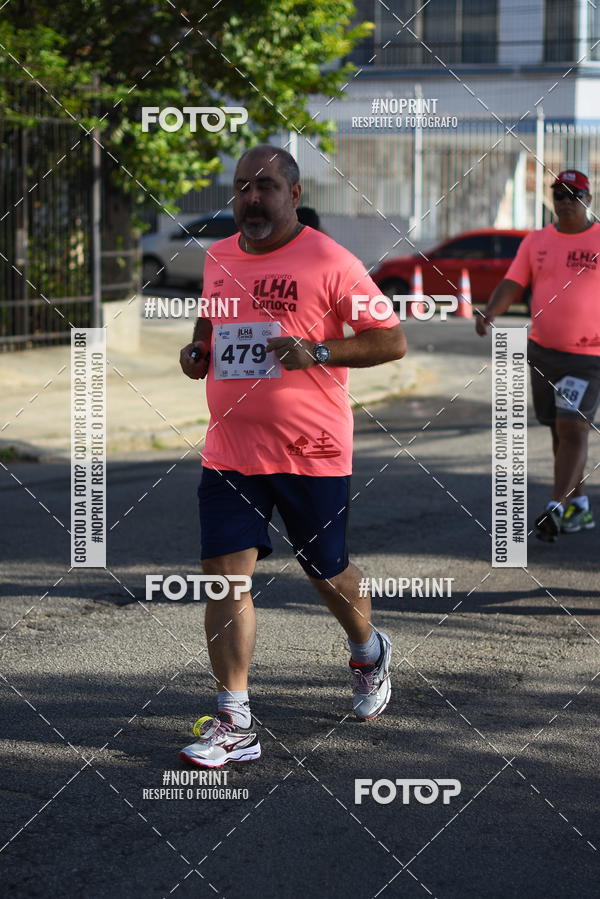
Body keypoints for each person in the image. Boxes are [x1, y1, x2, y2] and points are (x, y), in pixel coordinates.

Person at [177, 145, 406, 768]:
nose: (253, 198)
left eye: (267, 186)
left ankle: (367, 649)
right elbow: (210, 327)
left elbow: (391, 340)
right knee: (225, 578)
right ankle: (234, 719)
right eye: (242, 186)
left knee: (326, 571)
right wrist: (195, 353)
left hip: (312, 450)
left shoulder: (330, 259)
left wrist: (321, 353)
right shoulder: (219, 256)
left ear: (294, 195)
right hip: (230, 449)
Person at [476, 169, 600, 542]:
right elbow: (516, 281)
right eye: (559, 194)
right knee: (557, 428)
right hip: (544, 351)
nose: (565, 202)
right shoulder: (537, 241)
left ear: (588, 199)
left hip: (589, 354)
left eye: (573, 195)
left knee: (572, 426)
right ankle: (579, 505)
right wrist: (492, 310)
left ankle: (555, 507)